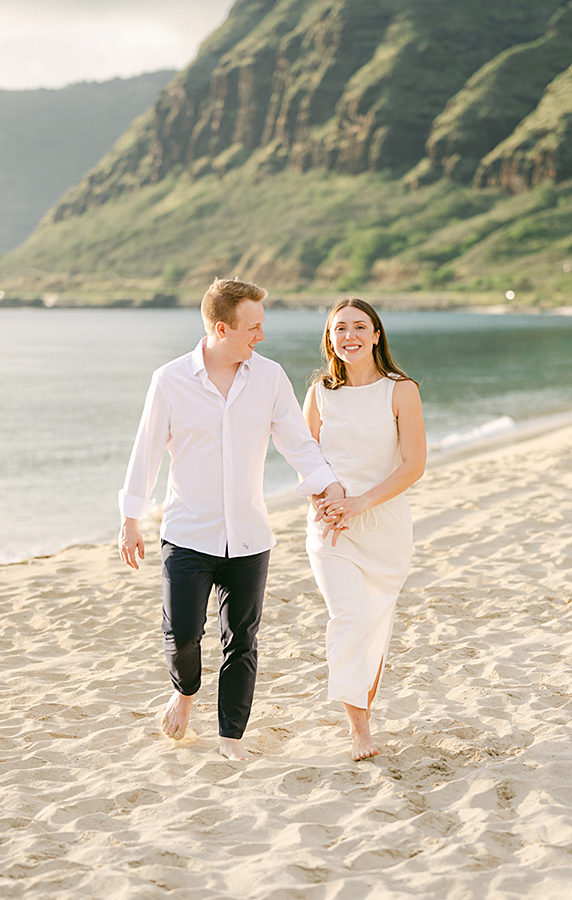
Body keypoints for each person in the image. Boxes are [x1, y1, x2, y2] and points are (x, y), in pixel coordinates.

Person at [118, 277, 344, 761]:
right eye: (253, 327)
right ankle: (184, 692)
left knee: (241, 640)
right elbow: (146, 452)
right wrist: (130, 518)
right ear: (222, 328)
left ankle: (230, 739)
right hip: (186, 533)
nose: (260, 336)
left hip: (248, 536)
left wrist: (328, 486)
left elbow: (299, 444)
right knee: (181, 634)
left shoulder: (269, 378)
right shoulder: (170, 380)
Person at [303, 298, 426, 761]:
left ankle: (362, 713)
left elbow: (415, 465)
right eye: (339, 329)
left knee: (374, 625)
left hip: (384, 527)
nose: (349, 335)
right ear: (330, 339)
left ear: (376, 335)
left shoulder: (401, 391)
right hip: (331, 528)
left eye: (359, 327)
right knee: (350, 616)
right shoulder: (319, 392)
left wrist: (361, 503)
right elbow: (304, 455)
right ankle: (359, 730)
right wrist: (325, 499)